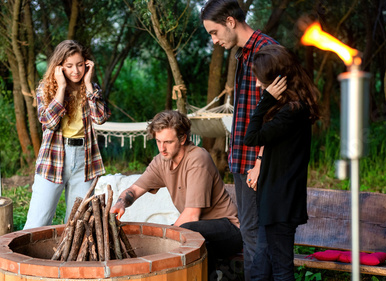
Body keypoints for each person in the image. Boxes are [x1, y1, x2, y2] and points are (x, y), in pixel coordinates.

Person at [110, 110, 243, 280]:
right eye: (158, 141)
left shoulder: (197, 159)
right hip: (199, 232)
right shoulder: (162, 160)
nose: (162, 148)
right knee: (189, 240)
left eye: (168, 142)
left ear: (182, 139)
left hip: (229, 229)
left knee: (185, 233)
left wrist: (163, 241)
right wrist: (121, 203)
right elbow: (134, 190)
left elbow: (191, 215)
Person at [201, 0, 278, 278]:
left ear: (230, 22)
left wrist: (260, 161)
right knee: (250, 232)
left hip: (257, 163)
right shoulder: (243, 54)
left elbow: (277, 111)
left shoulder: (266, 51)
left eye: (214, 32)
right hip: (242, 159)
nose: (214, 40)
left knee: (258, 235)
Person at [244, 45, 320, 281]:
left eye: (261, 81)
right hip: (278, 201)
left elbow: (251, 137)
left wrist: (265, 101)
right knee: (263, 265)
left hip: (280, 203)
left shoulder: (291, 112)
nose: (258, 85)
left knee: (281, 270)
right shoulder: (294, 110)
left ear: (277, 82)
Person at [24, 40, 110, 229]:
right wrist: (61, 89)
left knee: (78, 223)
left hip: (84, 160)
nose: (76, 71)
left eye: (80, 65)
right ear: (59, 66)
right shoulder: (45, 89)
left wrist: (88, 84)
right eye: (69, 66)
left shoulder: (91, 88)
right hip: (53, 158)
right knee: (38, 221)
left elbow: (100, 118)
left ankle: (71, 259)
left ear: (86, 64)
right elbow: (49, 123)